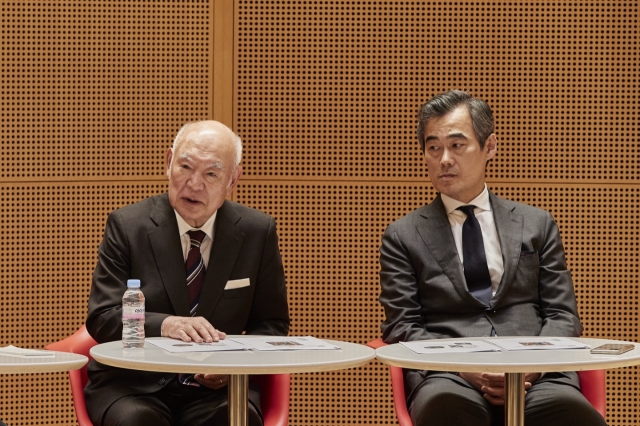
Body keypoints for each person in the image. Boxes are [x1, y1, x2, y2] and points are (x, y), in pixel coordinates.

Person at [378, 90, 606, 426]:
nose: (444, 159)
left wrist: (528, 368)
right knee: (448, 412)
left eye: (457, 145)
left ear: (490, 147)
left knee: (574, 417)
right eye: (433, 147)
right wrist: (470, 370)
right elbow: (402, 327)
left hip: (539, 376)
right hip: (449, 377)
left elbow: (562, 314)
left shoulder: (535, 223)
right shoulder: (403, 235)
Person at [85, 120, 290, 426]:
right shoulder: (128, 226)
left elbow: (272, 324)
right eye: (185, 167)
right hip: (134, 386)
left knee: (234, 419)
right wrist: (166, 324)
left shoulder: (256, 232)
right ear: (168, 163)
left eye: (211, 173)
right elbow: (103, 316)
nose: (194, 184)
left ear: (233, 179)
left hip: (218, 391)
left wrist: (235, 365)